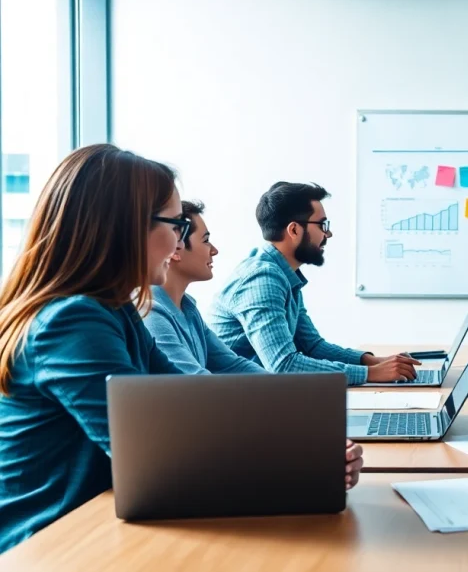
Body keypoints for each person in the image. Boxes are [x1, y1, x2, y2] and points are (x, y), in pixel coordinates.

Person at [0, 148, 364, 554]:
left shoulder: (116, 311)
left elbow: (193, 403)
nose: (179, 241)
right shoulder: (73, 321)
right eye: (176, 224)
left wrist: (306, 439)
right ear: (127, 228)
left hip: (100, 529)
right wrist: (305, 464)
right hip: (53, 546)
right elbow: (152, 459)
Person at [207, 182, 419, 384]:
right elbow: (283, 366)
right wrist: (369, 373)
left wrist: (372, 361)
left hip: (259, 396)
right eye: (323, 225)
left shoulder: (283, 274)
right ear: (294, 230)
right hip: (237, 406)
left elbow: (312, 346)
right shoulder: (262, 279)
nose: (328, 234)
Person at [143, 200, 265, 374]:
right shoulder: (152, 312)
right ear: (176, 247)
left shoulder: (188, 309)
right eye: (206, 240)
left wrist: (284, 391)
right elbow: (197, 386)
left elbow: (233, 365)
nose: (214, 250)